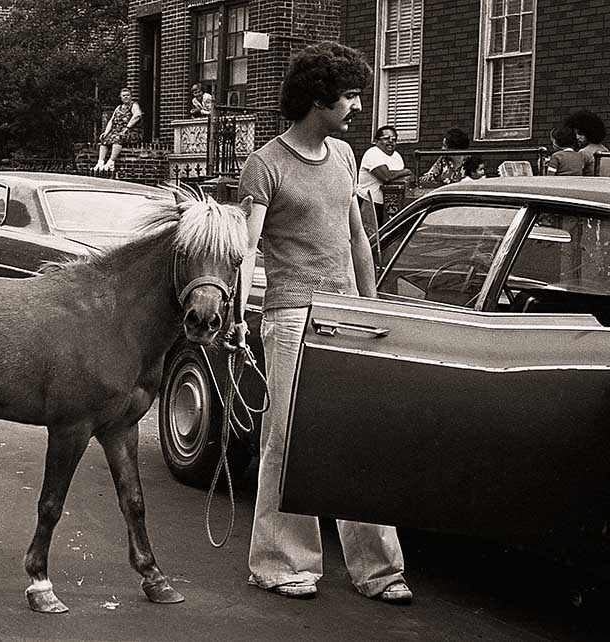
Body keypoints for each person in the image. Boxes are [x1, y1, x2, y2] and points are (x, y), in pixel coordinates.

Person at [236, 41, 412, 605]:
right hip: (290, 317)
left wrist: (372, 305)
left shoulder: (342, 157)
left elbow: (359, 236)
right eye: (351, 95)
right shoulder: (265, 165)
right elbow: (246, 248)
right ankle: (280, 563)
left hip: (347, 316)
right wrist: (239, 318)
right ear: (319, 99)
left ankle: (378, 570)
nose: (360, 106)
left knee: (358, 439)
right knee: (286, 441)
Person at [356, 125, 411, 229]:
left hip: (389, 205)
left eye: (394, 139)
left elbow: (400, 179)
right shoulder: (373, 153)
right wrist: (405, 171)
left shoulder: (397, 156)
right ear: (376, 141)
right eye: (386, 138)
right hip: (369, 202)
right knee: (370, 237)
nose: (390, 141)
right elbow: (386, 176)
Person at [95, 88, 142, 172]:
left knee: (118, 138)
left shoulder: (134, 105)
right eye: (124, 95)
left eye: (128, 95)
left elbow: (137, 116)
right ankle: (100, 162)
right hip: (117, 131)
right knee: (104, 139)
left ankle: (111, 161)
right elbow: (111, 121)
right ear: (120, 97)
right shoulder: (118, 108)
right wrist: (106, 132)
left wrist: (127, 128)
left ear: (131, 96)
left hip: (131, 132)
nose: (126, 97)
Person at [564, 110, 610, 177]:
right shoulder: (605, 150)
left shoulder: (583, 153)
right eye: (575, 134)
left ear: (589, 133)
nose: (577, 137)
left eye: (581, 134)